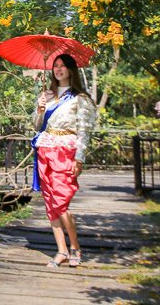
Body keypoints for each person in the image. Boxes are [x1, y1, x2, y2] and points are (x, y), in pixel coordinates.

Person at [31, 53, 98, 268]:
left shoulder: (81, 98)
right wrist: (40, 109)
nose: (58, 69)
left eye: (62, 66)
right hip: (45, 151)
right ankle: (61, 250)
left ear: (70, 70)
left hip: (66, 153)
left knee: (61, 201)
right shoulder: (47, 96)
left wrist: (79, 158)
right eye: (55, 66)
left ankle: (75, 247)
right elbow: (36, 125)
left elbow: (85, 130)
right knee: (51, 203)